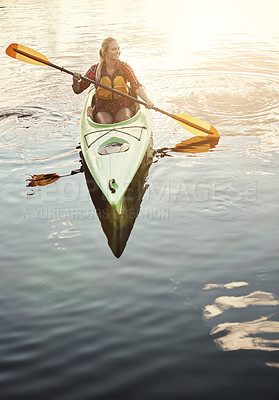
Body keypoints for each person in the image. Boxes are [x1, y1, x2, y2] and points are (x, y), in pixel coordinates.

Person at [72, 37, 153, 124]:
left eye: (118, 48)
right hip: (103, 108)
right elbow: (78, 90)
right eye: (113, 49)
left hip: (122, 106)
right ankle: (92, 113)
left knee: (125, 118)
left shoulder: (125, 67)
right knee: (104, 122)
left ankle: (135, 110)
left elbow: (136, 86)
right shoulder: (95, 69)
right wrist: (75, 81)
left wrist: (147, 101)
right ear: (105, 52)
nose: (118, 51)